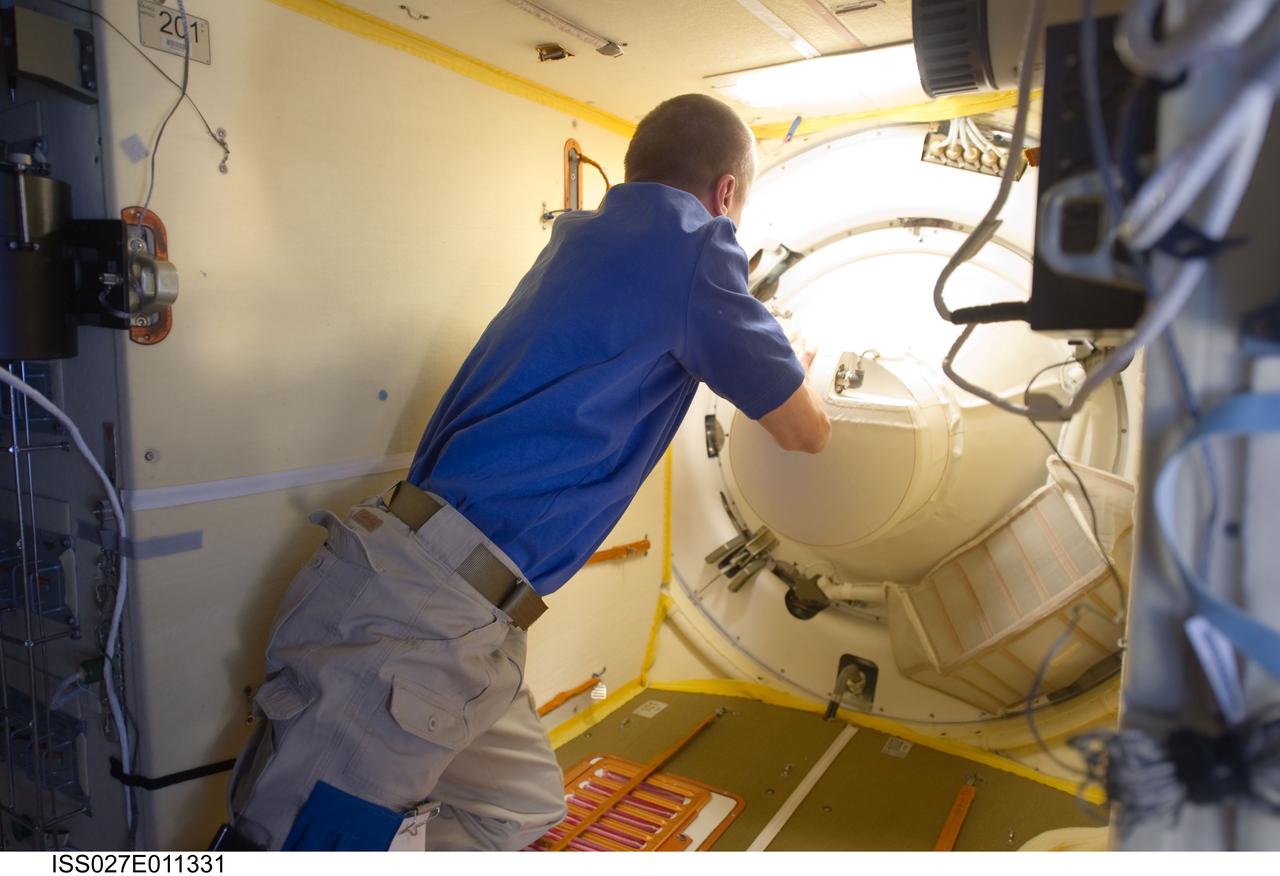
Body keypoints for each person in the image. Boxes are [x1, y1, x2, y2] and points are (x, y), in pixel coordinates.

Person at [220, 93, 831, 852]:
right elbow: (805, 431)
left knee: (518, 809)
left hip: (459, 602)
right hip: (424, 612)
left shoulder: (579, 240)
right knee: (306, 848)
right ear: (727, 193)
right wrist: (795, 360)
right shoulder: (696, 247)